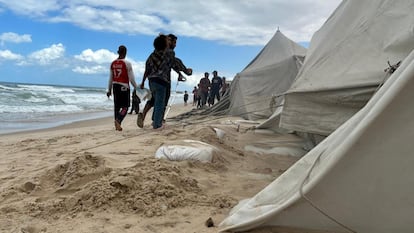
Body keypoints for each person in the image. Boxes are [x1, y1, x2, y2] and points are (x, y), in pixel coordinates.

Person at [138, 33, 192, 128]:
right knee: (160, 103)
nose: (172, 43)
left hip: (151, 81)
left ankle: (152, 118)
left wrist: (143, 82)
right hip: (162, 81)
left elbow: (147, 69)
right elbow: (176, 63)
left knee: (155, 100)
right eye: (169, 41)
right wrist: (186, 71)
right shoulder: (169, 53)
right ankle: (157, 124)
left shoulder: (152, 55)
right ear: (165, 44)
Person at [107, 45, 138, 131]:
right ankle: (118, 121)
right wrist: (137, 88)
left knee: (116, 107)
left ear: (118, 52)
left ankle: (117, 124)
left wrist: (109, 90)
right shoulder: (127, 63)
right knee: (125, 107)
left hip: (115, 86)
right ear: (125, 52)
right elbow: (131, 79)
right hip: (124, 86)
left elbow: (110, 78)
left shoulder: (112, 63)